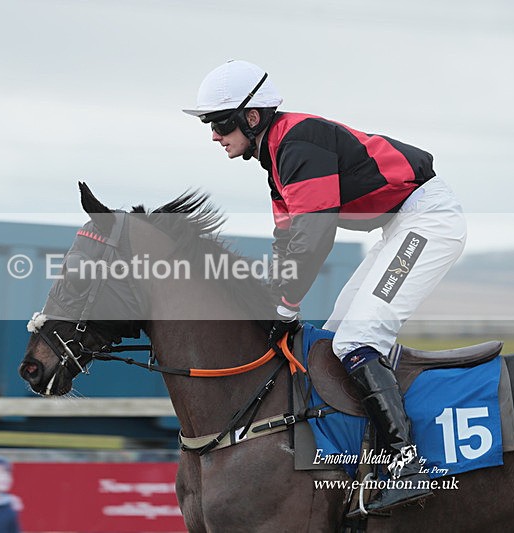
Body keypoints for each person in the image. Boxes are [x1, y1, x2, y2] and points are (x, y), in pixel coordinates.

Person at [184, 59, 467, 516]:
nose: (214, 135)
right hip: (399, 226)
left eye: (218, 122)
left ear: (251, 117)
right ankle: (361, 460)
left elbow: (315, 236)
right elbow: (287, 241)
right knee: (335, 342)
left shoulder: (298, 143)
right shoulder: (276, 162)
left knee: (357, 340)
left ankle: (407, 465)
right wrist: (275, 302)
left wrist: (286, 304)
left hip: (427, 221)